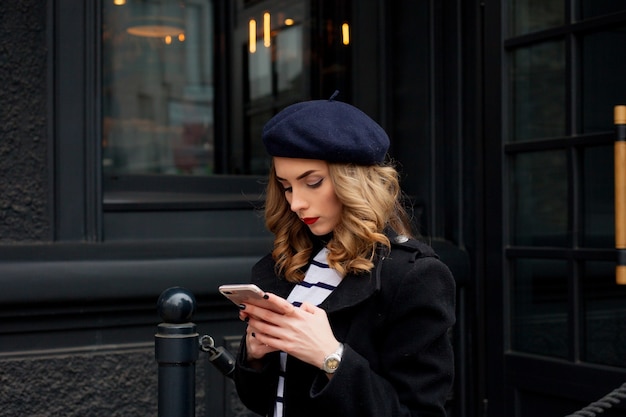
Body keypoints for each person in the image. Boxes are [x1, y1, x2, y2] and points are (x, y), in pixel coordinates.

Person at [232, 93, 456, 417]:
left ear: (353, 180)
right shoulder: (293, 260)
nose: (296, 204)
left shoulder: (413, 276)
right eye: (287, 186)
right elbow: (265, 400)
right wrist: (254, 353)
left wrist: (330, 356)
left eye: (312, 182)